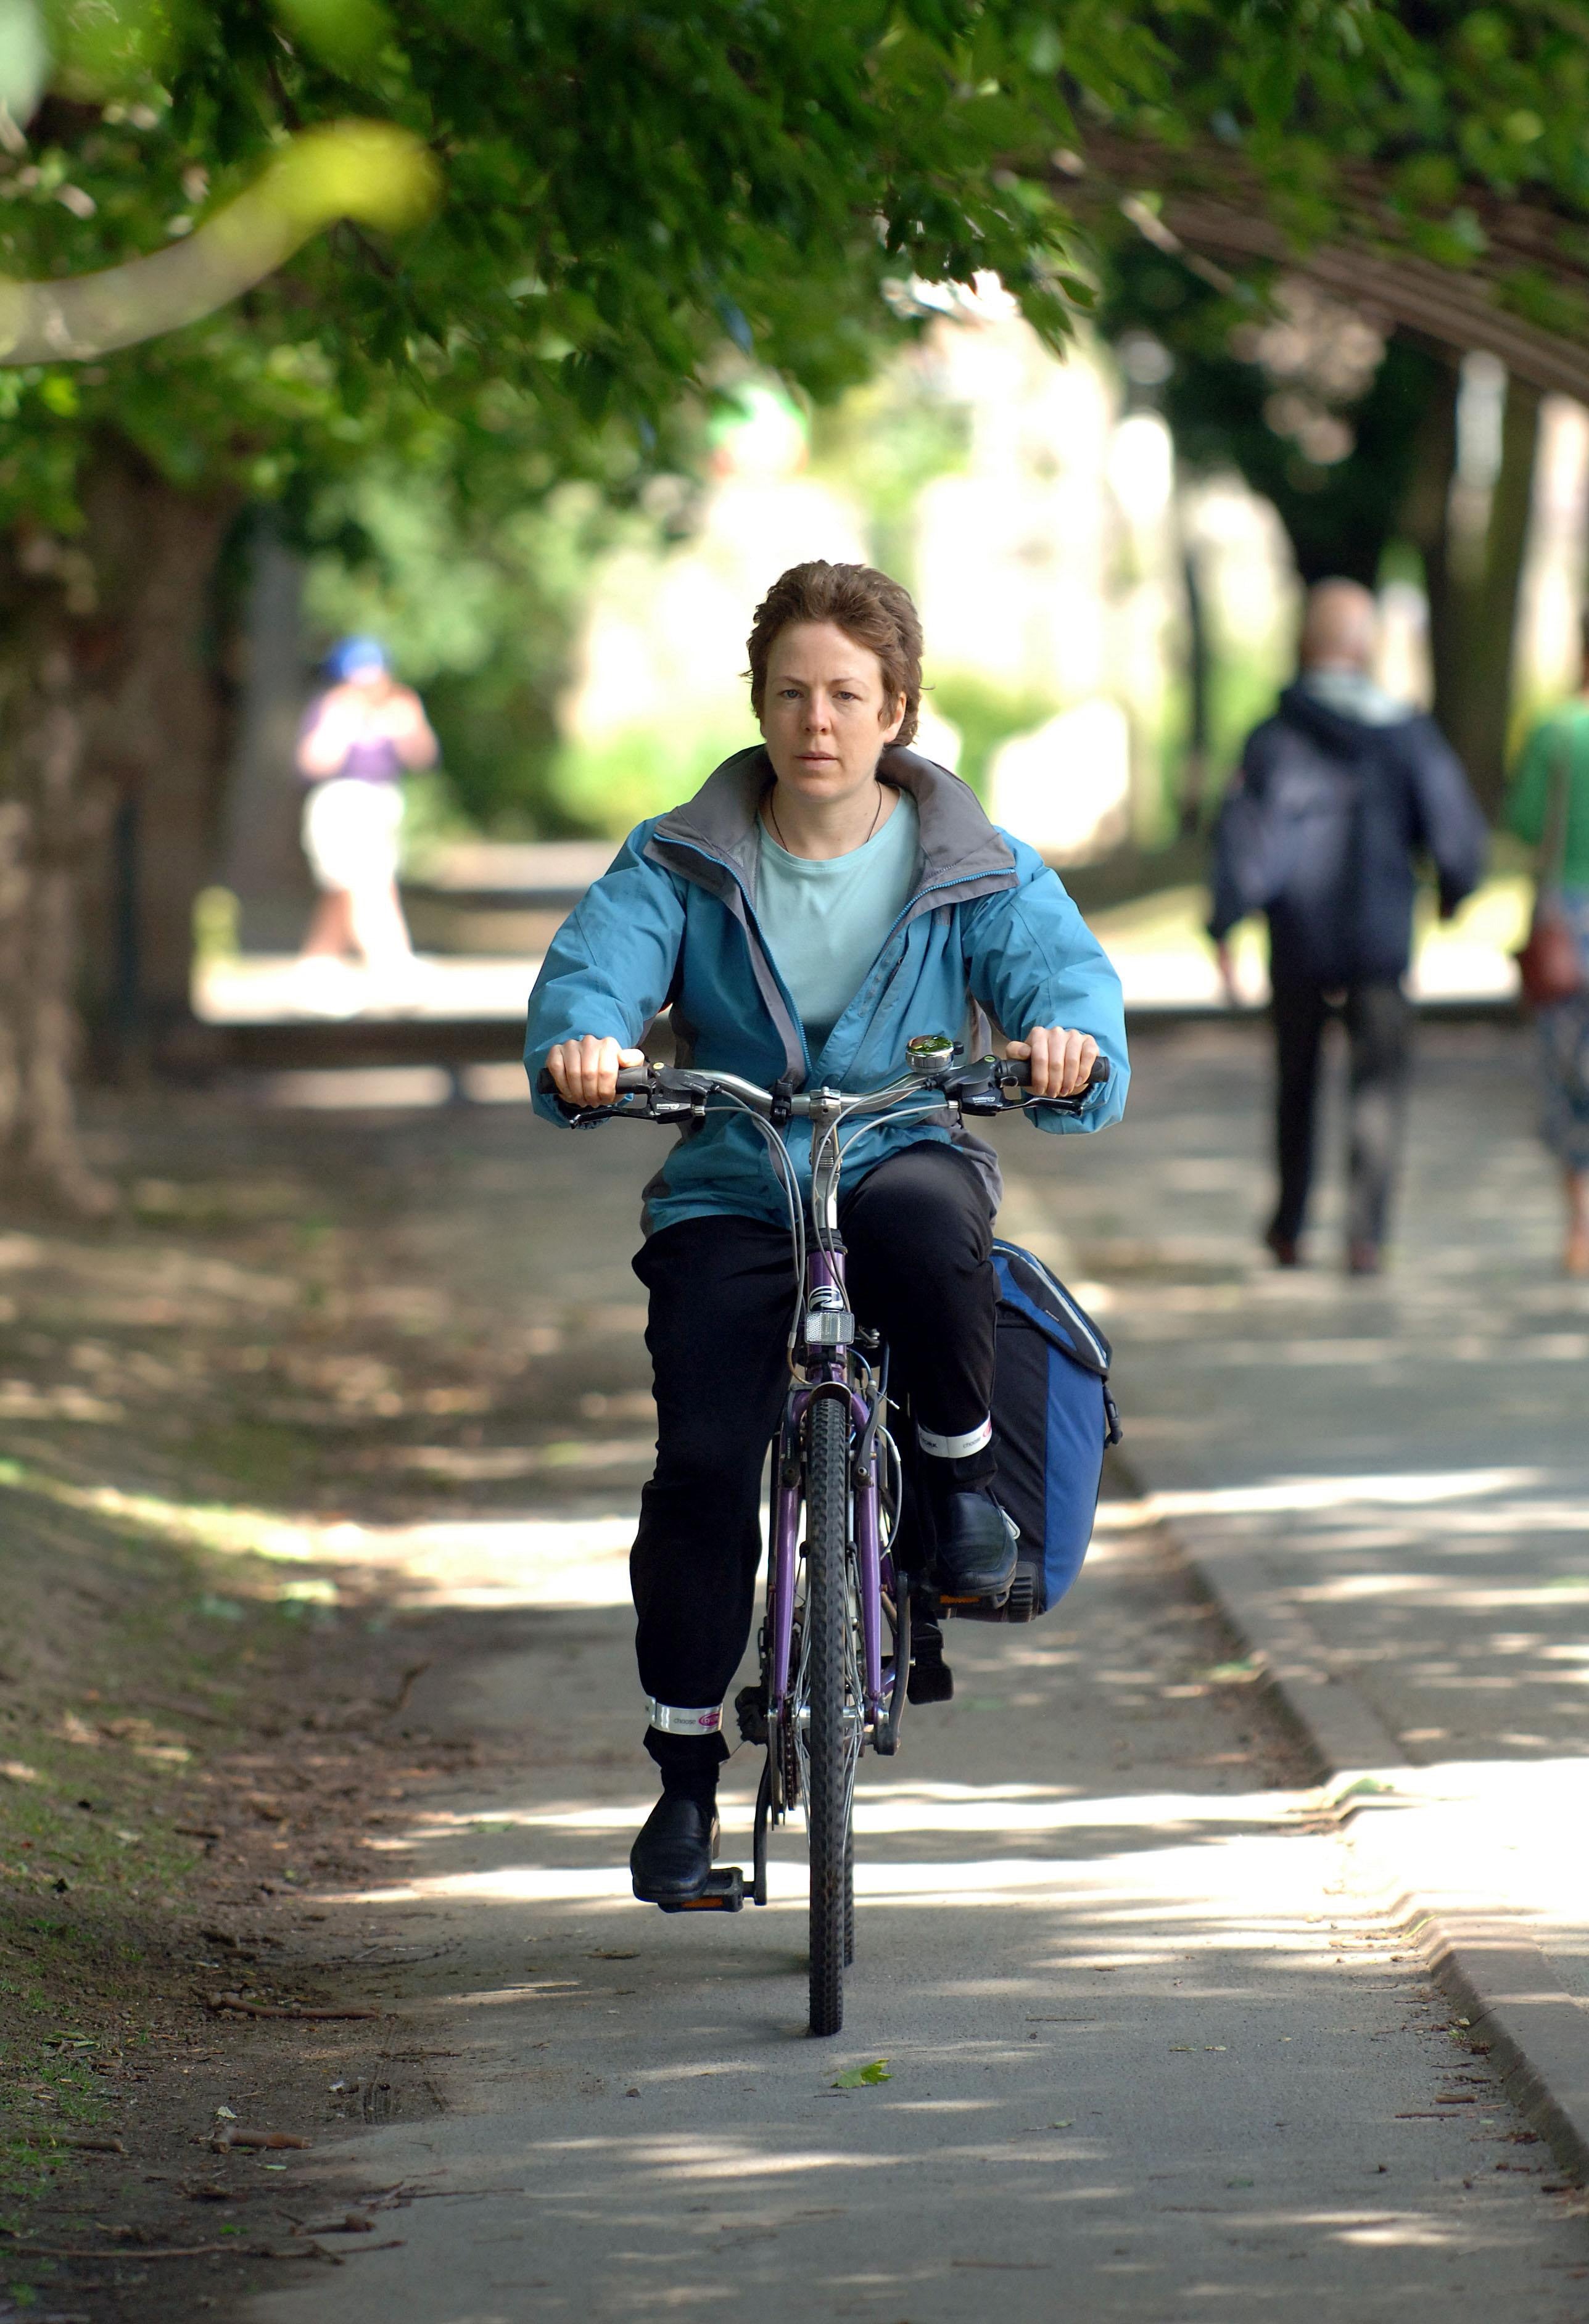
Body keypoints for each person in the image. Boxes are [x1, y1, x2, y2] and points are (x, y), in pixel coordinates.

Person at [526, 560, 1128, 1904]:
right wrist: (586, 1039)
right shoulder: (680, 856)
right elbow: (600, 963)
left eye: (847, 696)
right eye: (791, 693)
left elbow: (1062, 973)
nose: (817, 722)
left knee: (925, 1223)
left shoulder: (974, 864)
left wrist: (1064, 1041)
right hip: (737, 1174)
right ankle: (683, 1785)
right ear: (757, 703)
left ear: (897, 712)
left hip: (900, 1142)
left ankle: (960, 1481)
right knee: (699, 1467)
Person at [1209, 578, 1487, 1277]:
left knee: (1294, 1081)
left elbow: (1248, 839)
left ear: (1306, 645)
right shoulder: (1405, 734)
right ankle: (1365, 1236)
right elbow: (1452, 828)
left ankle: (1288, 1228)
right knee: (1377, 1087)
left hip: (1297, 939)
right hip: (1379, 941)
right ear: (1364, 650)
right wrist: (1453, 890)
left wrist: (1225, 922)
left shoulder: (1273, 737)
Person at [1504, 616, 1589, 1278]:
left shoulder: (1557, 729)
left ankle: (1578, 1226)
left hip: (1567, 922)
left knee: (1567, 1081)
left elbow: (1525, 820)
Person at [292, 637, 437, 1012]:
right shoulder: (332, 708)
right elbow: (313, 764)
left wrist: (408, 725)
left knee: (344, 893)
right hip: (341, 805)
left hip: (382, 804)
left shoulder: (399, 706)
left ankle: (315, 973)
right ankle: (392, 971)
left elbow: (423, 757)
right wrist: (342, 725)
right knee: (368, 887)